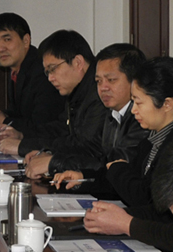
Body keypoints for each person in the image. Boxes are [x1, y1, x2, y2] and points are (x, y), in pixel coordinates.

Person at [81, 56, 173, 240]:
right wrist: (82, 178)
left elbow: (146, 199)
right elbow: (125, 183)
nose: (133, 110)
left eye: (139, 102)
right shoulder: (151, 139)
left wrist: (118, 169)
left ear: (167, 104)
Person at [39, 42, 147, 196]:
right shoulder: (112, 114)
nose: (103, 88)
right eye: (98, 81)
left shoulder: (142, 120)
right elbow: (95, 154)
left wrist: (56, 163)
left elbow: (114, 167)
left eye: (111, 80)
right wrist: (80, 175)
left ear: (135, 82)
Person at [0, 30, 105, 159]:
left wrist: (23, 146)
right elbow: (61, 129)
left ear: (78, 62)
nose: (50, 78)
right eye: (47, 72)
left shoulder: (101, 93)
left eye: (53, 69)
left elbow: (83, 147)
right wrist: (21, 135)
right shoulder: (78, 90)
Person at [0, 13, 64, 137]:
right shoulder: (17, 69)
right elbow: (21, 114)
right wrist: (1, 115)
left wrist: (4, 121)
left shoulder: (43, 71)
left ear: (26, 41)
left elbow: (42, 125)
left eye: (7, 39)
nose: (1, 48)